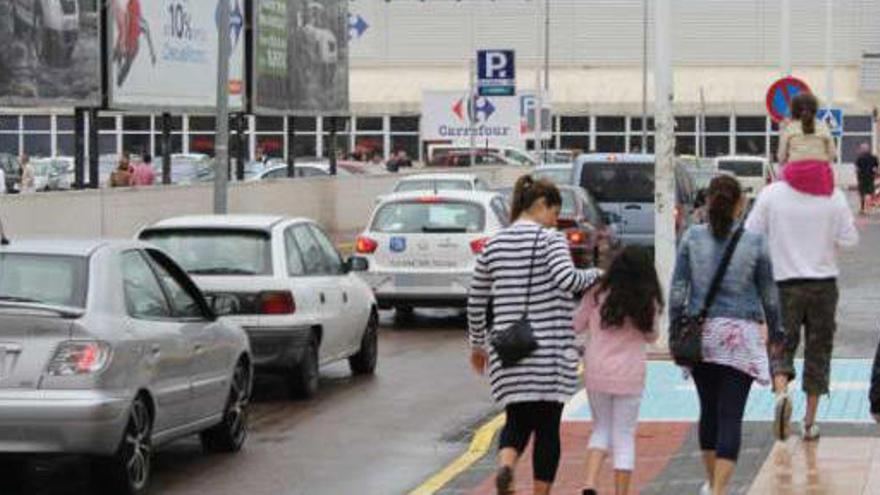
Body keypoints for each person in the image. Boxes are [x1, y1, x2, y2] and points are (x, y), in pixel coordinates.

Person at [468, 175, 601, 495]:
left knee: (516, 420)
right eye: (554, 213)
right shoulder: (550, 239)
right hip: (548, 353)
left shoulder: (494, 243)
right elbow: (567, 278)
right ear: (540, 206)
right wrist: (600, 274)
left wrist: (477, 344)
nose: (555, 221)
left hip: (508, 353)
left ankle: (505, 466)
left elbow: (475, 297)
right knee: (547, 429)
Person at [747, 93, 859, 443]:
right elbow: (851, 239)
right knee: (818, 350)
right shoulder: (834, 197)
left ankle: (782, 395)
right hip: (824, 284)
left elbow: (751, 235)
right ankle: (809, 424)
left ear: (787, 149)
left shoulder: (772, 195)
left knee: (781, 344)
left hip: (784, 284)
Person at [671, 176, 783, 495]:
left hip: (701, 336)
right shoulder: (756, 243)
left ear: (708, 203)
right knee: (730, 415)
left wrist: (674, 332)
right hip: (741, 337)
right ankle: (719, 489)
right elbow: (770, 296)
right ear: (739, 205)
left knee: (708, 411)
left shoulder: (691, 238)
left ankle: (712, 483)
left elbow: (678, 291)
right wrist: (777, 334)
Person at [574, 246, 662, 495]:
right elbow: (652, 336)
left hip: (597, 372)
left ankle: (589, 483)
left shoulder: (597, 293)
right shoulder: (647, 299)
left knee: (601, 428)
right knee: (624, 435)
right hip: (630, 375)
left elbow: (577, 324)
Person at [854, 143, 878, 214]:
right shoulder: (874, 157)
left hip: (862, 178)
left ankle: (862, 208)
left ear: (863, 149)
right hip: (870, 177)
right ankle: (869, 208)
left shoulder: (859, 158)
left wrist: (857, 176)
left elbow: (857, 169)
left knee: (862, 193)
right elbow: (875, 168)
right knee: (870, 192)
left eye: (861, 148)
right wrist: (875, 174)